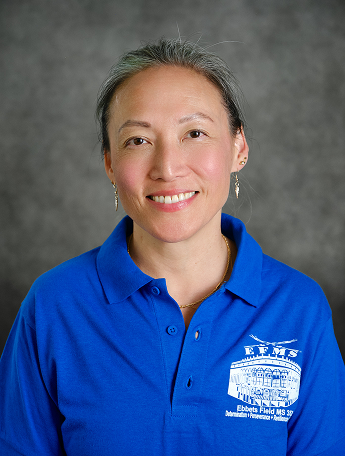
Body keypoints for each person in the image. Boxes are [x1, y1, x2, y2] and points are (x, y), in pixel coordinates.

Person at [0, 38, 344, 456]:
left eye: (194, 133)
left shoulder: (300, 309)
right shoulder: (53, 307)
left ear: (238, 148)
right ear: (109, 162)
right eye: (138, 141)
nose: (167, 167)